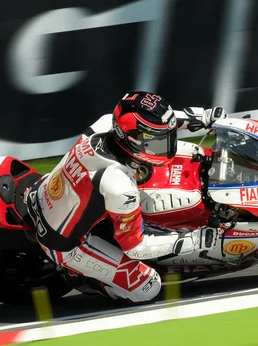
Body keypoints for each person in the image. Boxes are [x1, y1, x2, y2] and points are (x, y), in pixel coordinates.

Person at [23, 91, 228, 303]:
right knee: (148, 287)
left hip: (48, 191)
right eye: (158, 141)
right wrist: (194, 240)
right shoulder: (118, 184)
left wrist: (203, 117)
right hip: (64, 243)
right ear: (132, 139)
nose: (166, 145)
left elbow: (161, 124)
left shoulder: (106, 124)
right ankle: (80, 277)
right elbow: (136, 247)